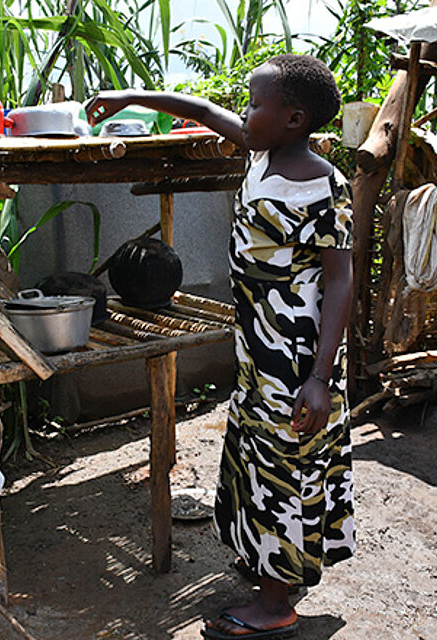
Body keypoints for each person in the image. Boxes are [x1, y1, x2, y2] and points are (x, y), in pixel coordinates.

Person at [86, 54, 355, 639]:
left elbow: (340, 280)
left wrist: (318, 377)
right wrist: (131, 95)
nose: (245, 111)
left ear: (294, 118)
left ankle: (277, 604)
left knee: (283, 467)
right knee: (255, 458)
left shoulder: (323, 185)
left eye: (256, 103)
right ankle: (267, 567)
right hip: (258, 347)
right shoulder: (261, 152)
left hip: (296, 355)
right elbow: (204, 111)